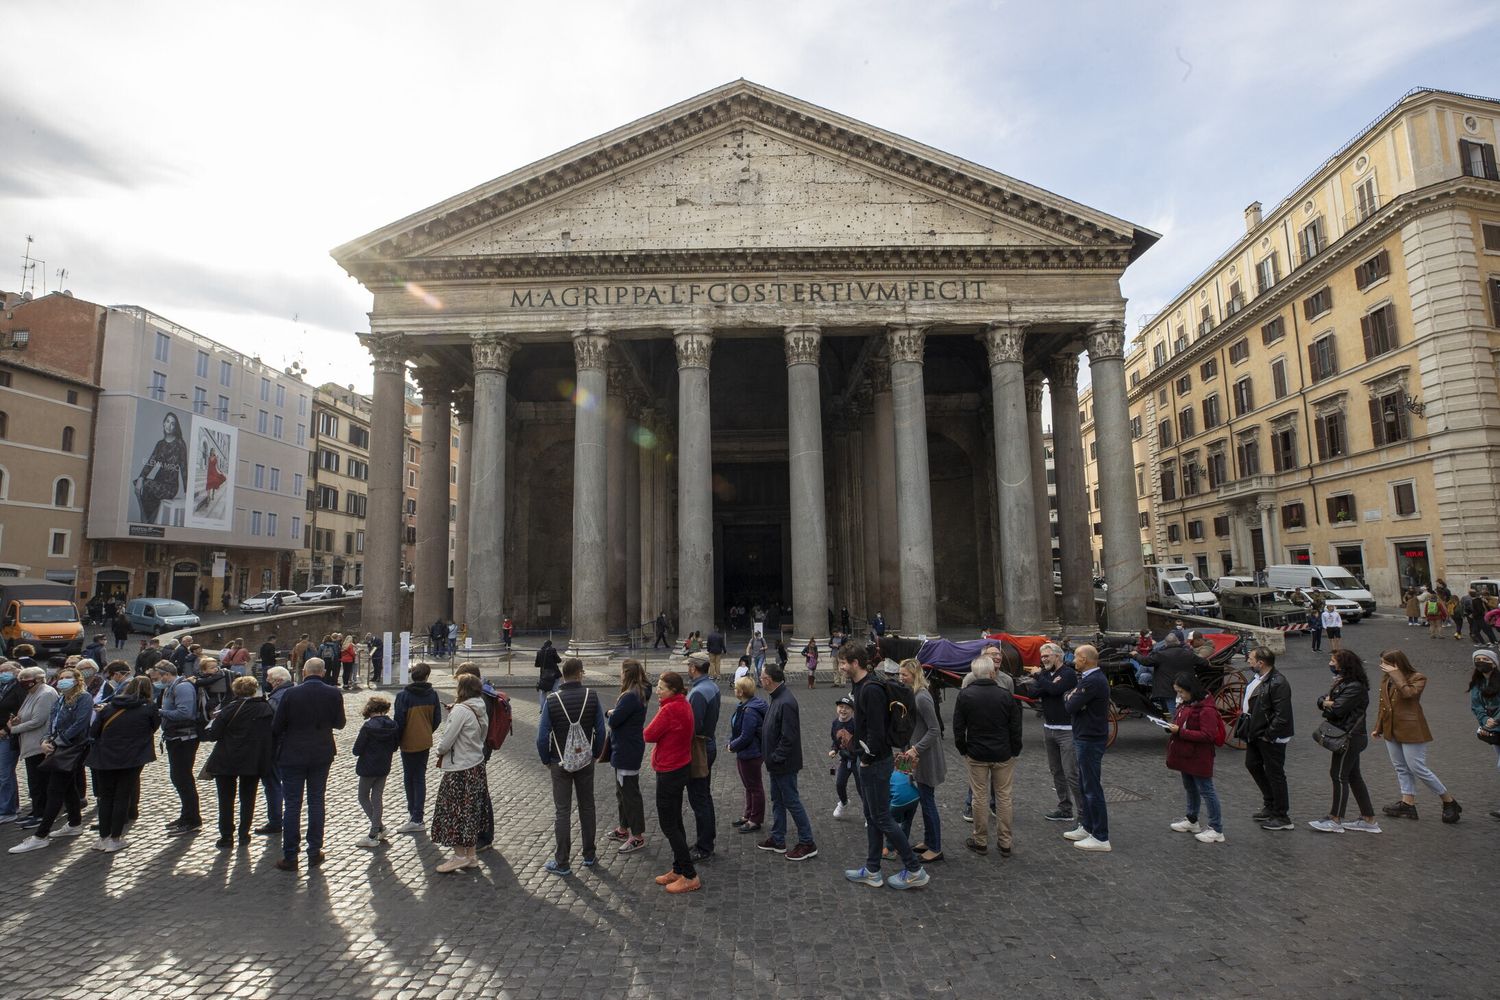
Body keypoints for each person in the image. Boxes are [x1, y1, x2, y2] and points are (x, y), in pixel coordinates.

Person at [839, 642, 929, 889]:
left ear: (855, 663)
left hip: (876, 763)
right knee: (872, 815)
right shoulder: (859, 686)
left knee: (882, 817)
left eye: (844, 663)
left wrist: (866, 759)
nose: (841, 667)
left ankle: (914, 869)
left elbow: (877, 733)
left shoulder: (870, 690)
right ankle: (872, 869)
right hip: (869, 761)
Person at [271, 657, 346, 871]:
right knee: (316, 801)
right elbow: (340, 724)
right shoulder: (333, 693)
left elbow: (277, 726)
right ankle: (314, 852)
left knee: (292, 804)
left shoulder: (291, 694)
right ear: (322, 673)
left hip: (292, 753)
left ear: (304, 672)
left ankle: (290, 856)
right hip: (321, 753)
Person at [8, 665, 93, 853]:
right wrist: (46, 740)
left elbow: (80, 724)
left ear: (77, 680)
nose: (63, 680)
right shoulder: (61, 698)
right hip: (57, 746)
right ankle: (74, 823)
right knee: (69, 788)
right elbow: (51, 723)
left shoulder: (83, 697)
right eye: (61, 677)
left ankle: (41, 835)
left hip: (73, 748)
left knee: (55, 789)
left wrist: (57, 741)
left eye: (68, 677)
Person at [1372, 648, 1461, 823]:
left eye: (1385, 663)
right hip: (1391, 729)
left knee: (1417, 767)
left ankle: (1449, 801)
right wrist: (1379, 727)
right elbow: (1384, 705)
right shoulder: (1386, 679)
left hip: (1412, 728)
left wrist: (1396, 674)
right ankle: (1408, 803)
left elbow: (1409, 694)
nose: (1381, 666)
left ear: (1396, 664)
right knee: (1400, 767)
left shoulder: (1418, 678)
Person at [536, 657, 606, 876]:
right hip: (585, 760)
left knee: (562, 811)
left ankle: (562, 862)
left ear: (563, 675)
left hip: (560, 761)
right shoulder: (591, 696)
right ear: (580, 674)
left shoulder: (552, 699)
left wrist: (547, 759)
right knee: (587, 806)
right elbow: (602, 731)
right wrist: (595, 754)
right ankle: (589, 854)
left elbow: (542, 736)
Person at [953, 656, 1022, 858]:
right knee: (1004, 797)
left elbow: (958, 727)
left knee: (979, 797)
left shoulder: (965, 695)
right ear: (992, 673)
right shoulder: (1005, 695)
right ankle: (1005, 843)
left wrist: (963, 748)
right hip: (1002, 753)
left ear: (974, 674)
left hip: (976, 753)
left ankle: (980, 840)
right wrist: (1015, 750)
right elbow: (1015, 727)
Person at [1306, 650, 1382, 834]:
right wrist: (1327, 702)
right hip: (1350, 735)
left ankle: (1335, 818)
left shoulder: (1354, 686)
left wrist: (1328, 703)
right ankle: (1368, 819)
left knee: (1338, 775)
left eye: (1333, 661)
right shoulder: (1344, 682)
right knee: (1353, 776)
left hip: (1350, 736)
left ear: (1343, 664)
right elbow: (1322, 700)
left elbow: (1337, 709)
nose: (1330, 663)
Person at [84, 675, 158, 852]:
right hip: (132, 757)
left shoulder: (108, 707)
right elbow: (153, 728)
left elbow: (94, 732)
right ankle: (115, 838)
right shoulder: (148, 709)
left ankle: (103, 837)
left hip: (105, 757)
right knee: (122, 796)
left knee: (106, 797)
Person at [644, 670, 700, 893]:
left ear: (673, 690)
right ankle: (678, 868)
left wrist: (661, 709)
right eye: (658, 686)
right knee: (675, 821)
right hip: (680, 767)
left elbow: (648, 734)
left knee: (669, 824)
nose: (658, 690)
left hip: (669, 771)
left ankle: (690, 875)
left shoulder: (670, 709)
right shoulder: (683, 704)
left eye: (662, 688)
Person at [204, 674, 274, 848]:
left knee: (226, 799)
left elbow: (213, 735)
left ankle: (226, 835)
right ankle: (244, 833)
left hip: (226, 759)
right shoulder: (266, 709)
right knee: (248, 798)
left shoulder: (228, 709)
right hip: (252, 760)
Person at [756, 662, 817, 860]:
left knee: (791, 801)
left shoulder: (786, 701)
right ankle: (778, 838)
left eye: (762, 676)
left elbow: (788, 737)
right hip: (776, 763)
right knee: (778, 800)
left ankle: (807, 842)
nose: (760, 679)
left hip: (783, 763)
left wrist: (775, 758)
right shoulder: (777, 697)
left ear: (769, 680)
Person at [430, 673, 488, 873]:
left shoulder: (461, 710)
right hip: (476, 764)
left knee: (454, 811)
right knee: (471, 811)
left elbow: (446, 741)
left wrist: (439, 750)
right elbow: (482, 734)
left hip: (460, 768)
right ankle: (471, 855)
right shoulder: (480, 706)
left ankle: (459, 855)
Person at [1024, 642, 1083, 826]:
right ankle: (1065, 809)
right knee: (1056, 771)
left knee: (1071, 773)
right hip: (1048, 728)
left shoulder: (1068, 674)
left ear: (1058, 656)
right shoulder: (1046, 675)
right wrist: (1046, 684)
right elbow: (1034, 692)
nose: (1044, 659)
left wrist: (1041, 680)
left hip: (1067, 731)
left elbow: (1055, 690)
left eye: (1047, 656)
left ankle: (1083, 814)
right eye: (1042, 657)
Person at [1164, 672, 1227, 842]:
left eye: (1181, 692)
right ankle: (1192, 819)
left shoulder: (1206, 710)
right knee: (1190, 787)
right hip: (1187, 753)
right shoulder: (1188, 704)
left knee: (1207, 790)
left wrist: (1180, 732)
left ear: (1191, 690)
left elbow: (1208, 735)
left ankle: (1216, 828)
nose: (1179, 696)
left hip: (1199, 756)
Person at [1239, 645, 1295, 831]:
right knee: (1252, 764)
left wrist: (1268, 734)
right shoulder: (1258, 678)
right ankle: (1270, 804)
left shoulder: (1278, 682)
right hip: (1255, 731)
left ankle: (1282, 815)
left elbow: (1282, 714)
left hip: (1268, 736)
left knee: (1275, 773)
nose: (1248, 661)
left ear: (1261, 663)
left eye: (1251, 659)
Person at [1062, 644, 1112, 852]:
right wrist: (1072, 697)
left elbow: (1069, 705)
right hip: (1086, 734)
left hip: (1090, 737)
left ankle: (1101, 836)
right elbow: (1072, 700)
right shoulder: (1090, 680)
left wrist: (1072, 697)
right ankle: (1088, 826)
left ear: (1085, 659)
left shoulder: (1092, 681)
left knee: (1092, 788)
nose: (1074, 661)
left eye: (1076, 657)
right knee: (1085, 785)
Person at [897, 659, 945, 864]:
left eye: (904, 675)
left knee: (927, 801)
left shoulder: (922, 697)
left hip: (925, 758)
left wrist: (915, 749)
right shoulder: (912, 695)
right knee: (921, 799)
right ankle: (928, 841)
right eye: (899, 674)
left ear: (914, 675)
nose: (901, 678)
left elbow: (935, 730)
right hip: (914, 755)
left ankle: (935, 848)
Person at [605, 659, 650, 854]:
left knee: (630, 793)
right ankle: (624, 829)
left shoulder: (630, 696)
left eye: (622, 672)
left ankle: (637, 836)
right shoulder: (640, 691)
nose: (620, 675)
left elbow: (615, 720)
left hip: (626, 749)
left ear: (628, 674)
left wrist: (609, 713)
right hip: (627, 747)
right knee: (621, 791)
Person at [8, 666, 59, 830]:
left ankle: (41, 813)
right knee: (34, 782)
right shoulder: (32, 693)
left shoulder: (45, 693)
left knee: (39, 781)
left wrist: (13, 729)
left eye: (26, 679)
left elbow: (38, 720)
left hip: (39, 745)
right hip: (31, 743)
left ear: (37, 679)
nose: (23, 682)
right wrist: (17, 720)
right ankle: (37, 810)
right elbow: (26, 715)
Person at [393, 662, 442, 833]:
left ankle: (414, 815)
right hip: (424, 741)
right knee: (419, 777)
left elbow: (398, 721)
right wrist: (427, 731)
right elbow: (437, 719)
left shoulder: (403, 696)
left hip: (407, 741)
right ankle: (417, 815)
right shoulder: (433, 695)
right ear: (427, 676)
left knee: (409, 777)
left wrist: (397, 740)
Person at [158, 657, 204, 835]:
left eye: (159, 676)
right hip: (175, 738)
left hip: (184, 739)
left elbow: (185, 713)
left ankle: (192, 819)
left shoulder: (182, 687)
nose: (157, 680)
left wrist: (160, 712)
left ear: (167, 674)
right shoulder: (172, 686)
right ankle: (187, 815)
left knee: (183, 779)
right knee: (179, 778)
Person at [685, 655, 721, 863]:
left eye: (689, 666)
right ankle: (706, 839)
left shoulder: (698, 693)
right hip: (709, 743)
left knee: (699, 798)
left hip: (700, 748)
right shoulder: (711, 687)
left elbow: (694, 726)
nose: (688, 669)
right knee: (704, 796)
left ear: (694, 668)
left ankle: (704, 845)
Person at [352, 695, 399, 849]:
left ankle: (373, 833)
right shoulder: (392, 725)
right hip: (384, 765)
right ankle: (381, 828)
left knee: (363, 797)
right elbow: (394, 747)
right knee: (377, 797)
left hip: (368, 767)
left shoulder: (368, 727)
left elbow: (357, 750)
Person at [726, 675, 767, 834]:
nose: (734, 690)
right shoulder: (745, 705)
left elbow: (746, 735)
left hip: (751, 753)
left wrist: (732, 745)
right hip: (746, 752)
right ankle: (748, 814)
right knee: (749, 786)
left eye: (736, 688)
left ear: (741, 691)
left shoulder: (750, 710)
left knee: (754, 786)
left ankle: (755, 819)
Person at [133, 411, 188, 523]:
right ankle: (148, 521)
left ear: (175, 427)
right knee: (140, 483)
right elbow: (150, 463)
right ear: (163, 423)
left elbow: (184, 468)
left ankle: (145, 520)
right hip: (158, 482)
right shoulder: (160, 444)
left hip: (170, 487)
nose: (169, 425)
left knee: (144, 484)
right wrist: (141, 477)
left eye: (172, 423)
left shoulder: (180, 444)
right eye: (167, 421)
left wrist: (188, 491)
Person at [258, 666, 293, 835]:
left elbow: (272, 726)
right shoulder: (293, 693)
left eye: (270, 680)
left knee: (272, 785)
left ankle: (275, 820)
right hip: (291, 745)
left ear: (278, 681)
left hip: (277, 746)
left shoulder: (276, 698)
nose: (267, 683)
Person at [1466, 649, 1500, 820]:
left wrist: (1496, 719)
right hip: (1493, 730)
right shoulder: (1477, 684)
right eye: (1477, 659)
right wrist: (1485, 719)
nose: (1480, 661)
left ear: (1494, 663)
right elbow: (1476, 705)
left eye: (1485, 659)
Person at [1142, 634, 1206, 717]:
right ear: (1178, 642)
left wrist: (1135, 655)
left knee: (1173, 709)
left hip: (1168, 688)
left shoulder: (1161, 654)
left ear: (1165, 644)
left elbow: (1145, 662)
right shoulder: (1188, 653)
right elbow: (1203, 662)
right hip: (1184, 684)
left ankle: (1178, 724)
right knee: (1185, 707)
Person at [829, 695, 858, 817]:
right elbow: (835, 741)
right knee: (840, 784)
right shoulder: (835, 723)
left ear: (852, 710)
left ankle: (869, 814)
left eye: (847, 708)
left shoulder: (855, 724)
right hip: (845, 760)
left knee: (862, 788)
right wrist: (834, 749)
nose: (843, 710)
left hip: (858, 760)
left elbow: (861, 743)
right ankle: (844, 802)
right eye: (841, 707)